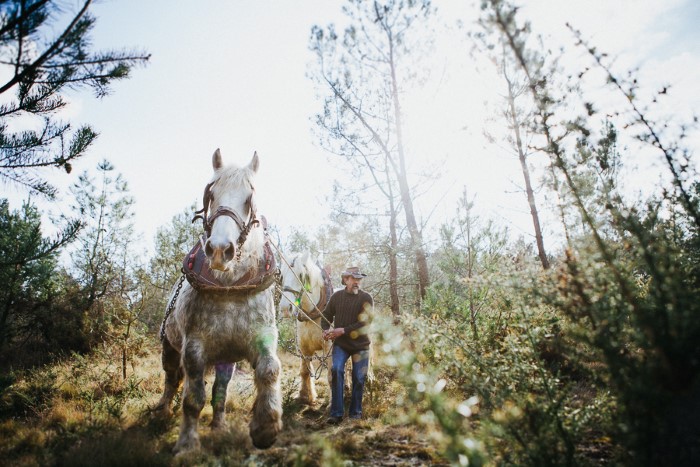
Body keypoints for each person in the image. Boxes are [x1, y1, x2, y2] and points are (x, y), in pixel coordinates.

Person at [322, 266, 373, 424]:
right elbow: (326, 316)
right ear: (345, 280)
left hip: (361, 345)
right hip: (342, 345)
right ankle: (336, 413)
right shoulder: (337, 297)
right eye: (354, 279)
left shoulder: (366, 298)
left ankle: (355, 414)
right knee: (336, 369)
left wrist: (343, 330)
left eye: (359, 279)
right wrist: (325, 330)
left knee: (358, 377)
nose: (357, 282)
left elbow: (366, 321)